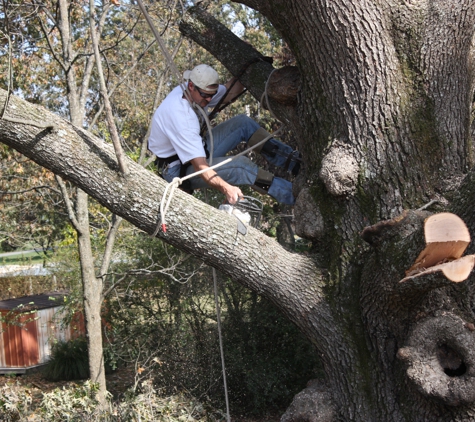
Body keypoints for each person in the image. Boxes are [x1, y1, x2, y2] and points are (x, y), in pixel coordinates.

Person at [148, 64, 301, 205]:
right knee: (241, 167)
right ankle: (295, 196)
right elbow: (201, 167)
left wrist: (244, 67)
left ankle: (295, 163)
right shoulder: (181, 116)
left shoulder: (199, 91)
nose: (209, 100)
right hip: (178, 170)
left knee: (242, 124)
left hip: (198, 150)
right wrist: (227, 189)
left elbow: (228, 92)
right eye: (205, 95)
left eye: (211, 95)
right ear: (190, 86)